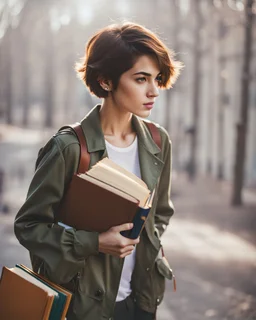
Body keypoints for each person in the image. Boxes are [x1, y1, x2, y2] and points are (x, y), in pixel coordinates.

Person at [14, 22, 182, 320]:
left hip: (140, 302)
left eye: (157, 79)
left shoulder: (158, 141)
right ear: (106, 81)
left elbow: (161, 214)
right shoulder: (68, 148)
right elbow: (29, 226)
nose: (154, 90)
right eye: (141, 79)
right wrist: (94, 242)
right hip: (81, 306)